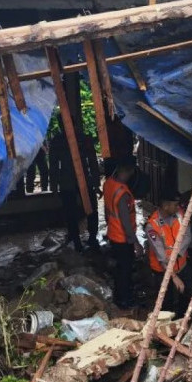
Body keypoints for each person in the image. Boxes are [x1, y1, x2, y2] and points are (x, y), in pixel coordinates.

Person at [49, 116, 100, 252]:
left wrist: (96, 183)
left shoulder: (81, 140)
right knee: (76, 211)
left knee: (88, 210)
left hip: (77, 181)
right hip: (70, 181)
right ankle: (81, 239)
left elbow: (92, 162)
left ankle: (89, 238)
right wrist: (54, 186)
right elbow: (53, 165)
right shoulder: (60, 141)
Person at [145, 189, 191, 318]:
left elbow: (187, 235)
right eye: (175, 205)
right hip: (163, 271)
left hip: (182, 265)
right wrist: (174, 277)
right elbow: (161, 256)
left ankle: (183, 320)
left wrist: (178, 254)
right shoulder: (152, 226)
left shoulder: (180, 215)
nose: (178, 207)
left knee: (186, 294)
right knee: (166, 302)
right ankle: (167, 328)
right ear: (165, 206)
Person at [103, 156, 142, 308]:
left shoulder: (108, 184)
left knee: (120, 268)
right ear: (128, 171)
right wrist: (135, 243)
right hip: (122, 237)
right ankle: (125, 300)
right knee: (125, 269)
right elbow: (126, 221)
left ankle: (119, 296)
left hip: (113, 233)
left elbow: (107, 211)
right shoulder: (122, 193)